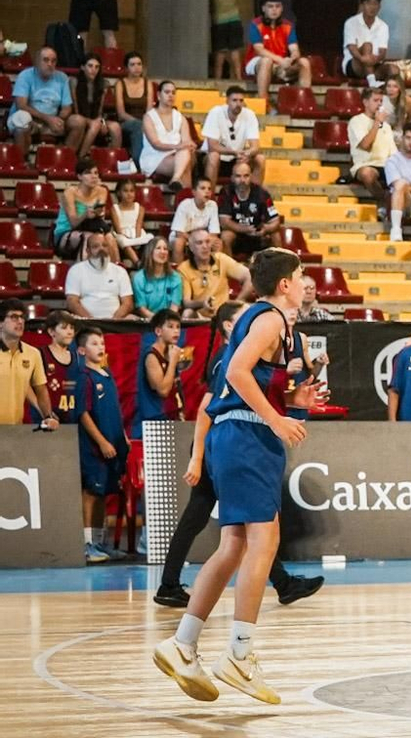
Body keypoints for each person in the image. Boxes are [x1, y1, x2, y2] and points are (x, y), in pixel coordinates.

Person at [152, 251, 324, 704]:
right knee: (264, 543)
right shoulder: (269, 318)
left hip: (236, 436)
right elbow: (235, 373)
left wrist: (296, 402)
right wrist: (276, 418)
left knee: (234, 546)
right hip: (246, 435)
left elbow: (254, 384)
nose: (305, 283)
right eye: (300, 276)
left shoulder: (266, 322)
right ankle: (239, 655)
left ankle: (183, 643)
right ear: (284, 284)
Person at [152, 300, 321, 612]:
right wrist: (197, 457)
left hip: (226, 440)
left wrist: (290, 399)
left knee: (248, 532)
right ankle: (171, 585)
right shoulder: (229, 358)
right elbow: (208, 408)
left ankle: (281, 583)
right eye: (245, 315)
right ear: (231, 325)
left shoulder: (249, 353)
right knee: (215, 524)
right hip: (220, 440)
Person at [75, 326, 127, 564]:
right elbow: (83, 413)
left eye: (102, 343)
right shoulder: (84, 377)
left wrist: (122, 435)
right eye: (94, 343)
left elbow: (114, 409)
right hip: (95, 447)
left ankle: (99, 542)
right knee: (91, 492)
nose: (101, 347)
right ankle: (87, 545)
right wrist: (102, 441)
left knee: (104, 492)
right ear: (82, 350)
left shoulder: (106, 373)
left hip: (114, 444)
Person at [0, 300, 59, 430]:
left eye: (22, 317)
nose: (20, 321)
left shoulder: (33, 354)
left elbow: (41, 389)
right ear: (1, 323)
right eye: (14, 317)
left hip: (14, 429)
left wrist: (48, 416)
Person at [244, 0, 311, 102]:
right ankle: (263, 99)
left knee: (304, 62)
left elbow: (294, 49)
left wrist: (291, 58)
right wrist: (280, 60)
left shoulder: (288, 25)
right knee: (267, 61)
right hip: (256, 61)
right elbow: (259, 50)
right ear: (263, 8)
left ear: (282, 8)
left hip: (281, 62)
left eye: (277, 6)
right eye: (270, 6)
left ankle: (302, 100)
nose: (274, 9)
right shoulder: (255, 24)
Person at [12, 45, 76, 153]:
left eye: (53, 61)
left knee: (77, 122)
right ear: (37, 62)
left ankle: (65, 158)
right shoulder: (25, 76)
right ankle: (21, 160)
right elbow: (21, 105)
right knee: (22, 119)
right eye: (46, 60)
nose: (50, 64)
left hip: (50, 121)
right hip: (30, 119)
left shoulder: (62, 78)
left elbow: (67, 107)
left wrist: (58, 120)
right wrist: (48, 119)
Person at [138, 79, 197, 187]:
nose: (171, 95)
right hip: (155, 157)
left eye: (173, 93)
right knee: (185, 163)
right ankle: (183, 191)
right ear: (158, 95)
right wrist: (178, 146)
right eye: (167, 92)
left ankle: (176, 180)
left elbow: (187, 142)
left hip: (178, 156)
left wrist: (190, 146)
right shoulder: (149, 117)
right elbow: (156, 144)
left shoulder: (181, 118)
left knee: (186, 155)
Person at [178, 229, 247, 321]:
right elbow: (187, 303)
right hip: (200, 316)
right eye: (199, 243)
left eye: (207, 242)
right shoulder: (183, 268)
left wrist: (236, 302)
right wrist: (202, 303)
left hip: (224, 314)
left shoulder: (221, 259)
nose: (205, 246)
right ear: (191, 247)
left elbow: (249, 276)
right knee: (187, 312)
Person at [66, 229, 134, 321]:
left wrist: (114, 320)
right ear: (88, 251)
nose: (101, 249)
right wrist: (91, 321)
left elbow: (128, 303)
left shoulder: (120, 271)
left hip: (116, 322)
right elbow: (72, 302)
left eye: (104, 245)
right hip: (85, 321)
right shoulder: (76, 270)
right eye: (95, 246)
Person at [216, 159, 279, 257]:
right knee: (226, 236)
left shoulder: (262, 193)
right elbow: (224, 222)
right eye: (238, 176)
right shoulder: (226, 192)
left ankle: (279, 265)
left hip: (257, 234)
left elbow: (275, 221)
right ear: (232, 178)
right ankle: (230, 266)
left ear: (251, 176)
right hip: (237, 234)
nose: (242, 180)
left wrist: (266, 229)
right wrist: (245, 229)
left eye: (246, 176)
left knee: (275, 235)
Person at [137, 309, 188, 430]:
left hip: (173, 416)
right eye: (170, 326)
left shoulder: (170, 352)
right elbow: (163, 391)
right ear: (158, 331)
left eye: (178, 327)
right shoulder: (152, 356)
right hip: (156, 421)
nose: (176, 331)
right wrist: (173, 362)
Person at [53, 156, 108, 260]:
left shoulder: (102, 191)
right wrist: (85, 215)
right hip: (66, 233)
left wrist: (98, 213)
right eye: (88, 173)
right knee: (87, 237)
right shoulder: (70, 192)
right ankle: (82, 269)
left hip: (90, 229)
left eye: (96, 173)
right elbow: (73, 223)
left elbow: (100, 216)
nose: (93, 176)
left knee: (109, 238)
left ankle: (113, 269)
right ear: (79, 176)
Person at [347, 90, 396, 197]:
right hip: (365, 164)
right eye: (375, 100)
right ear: (365, 102)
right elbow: (365, 145)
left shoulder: (386, 126)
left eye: (381, 101)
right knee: (367, 174)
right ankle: (384, 199)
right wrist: (377, 122)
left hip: (386, 165)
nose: (379, 104)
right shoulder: (356, 121)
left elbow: (393, 153)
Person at [110, 50, 155, 156]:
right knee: (138, 126)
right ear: (126, 68)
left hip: (145, 121)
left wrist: (145, 123)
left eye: (139, 64)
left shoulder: (148, 83)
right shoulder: (120, 84)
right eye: (132, 65)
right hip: (126, 122)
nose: (137, 67)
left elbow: (149, 110)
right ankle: (138, 160)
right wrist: (140, 123)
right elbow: (121, 113)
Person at [341, 0, 391, 82]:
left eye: (375, 4)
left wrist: (375, 59)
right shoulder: (351, 23)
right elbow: (352, 48)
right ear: (362, 5)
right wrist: (363, 59)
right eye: (368, 3)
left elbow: (382, 52)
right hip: (355, 63)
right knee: (367, 46)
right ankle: (372, 82)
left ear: (379, 6)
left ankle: (376, 80)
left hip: (374, 63)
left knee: (393, 69)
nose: (372, 7)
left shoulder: (383, 26)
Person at [67, 51, 114, 152]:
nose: (93, 70)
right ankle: (81, 156)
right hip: (77, 117)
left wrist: (102, 122)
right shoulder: (74, 82)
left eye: (97, 67)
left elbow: (99, 111)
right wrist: (92, 121)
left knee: (115, 127)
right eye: (90, 66)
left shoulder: (103, 84)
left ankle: (115, 158)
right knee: (94, 124)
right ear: (83, 67)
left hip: (94, 118)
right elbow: (76, 109)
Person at [169, 177, 221, 262]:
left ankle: (214, 269)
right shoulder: (185, 205)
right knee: (178, 243)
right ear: (194, 192)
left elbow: (214, 233)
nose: (207, 191)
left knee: (218, 243)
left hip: (203, 237)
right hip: (185, 237)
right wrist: (196, 240)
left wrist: (203, 241)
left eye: (209, 189)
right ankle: (178, 269)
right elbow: (179, 232)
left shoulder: (213, 205)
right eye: (203, 188)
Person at [132, 237, 184, 320]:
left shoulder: (175, 277)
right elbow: (142, 309)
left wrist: (165, 321)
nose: (163, 252)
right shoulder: (139, 277)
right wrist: (158, 321)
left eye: (165, 249)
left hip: (169, 320)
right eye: (158, 248)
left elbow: (174, 307)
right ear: (150, 252)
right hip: (147, 320)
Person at [108, 177, 149, 267]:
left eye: (131, 191)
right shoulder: (115, 208)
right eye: (125, 191)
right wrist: (128, 239)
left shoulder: (140, 208)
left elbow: (139, 225)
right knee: (124, 241)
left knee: (149, 238)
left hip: (136, 234)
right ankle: (137, 263)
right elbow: (118, 229)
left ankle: (148, 264)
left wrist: (137, 239)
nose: (129, 194)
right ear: (119, 193)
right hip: (121, 235)